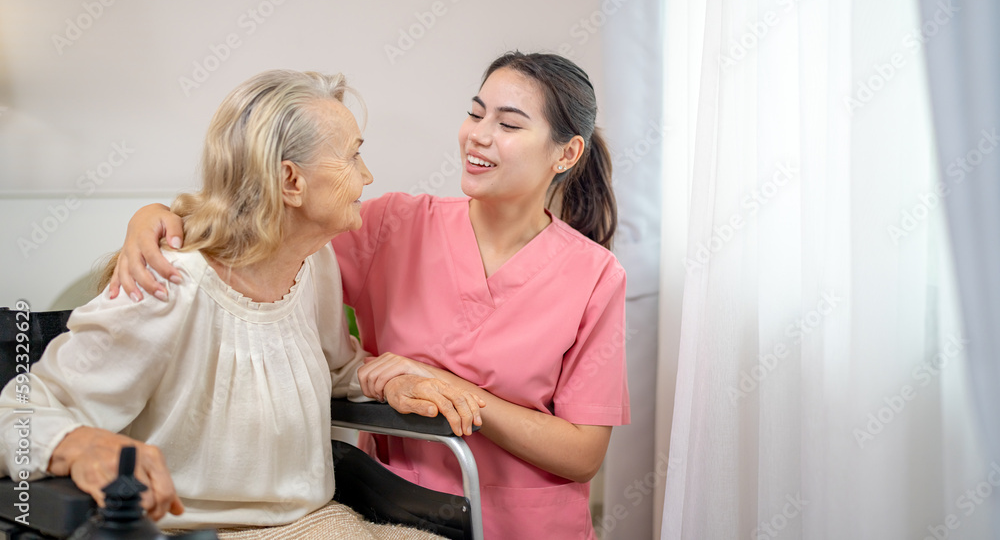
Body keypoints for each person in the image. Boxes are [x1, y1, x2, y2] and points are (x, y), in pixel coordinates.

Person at [110, 52, 630, 539]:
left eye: (509, 124)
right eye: (475, 114)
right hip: (396, 508)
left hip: (529, 524)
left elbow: (583, 452)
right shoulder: (394, 226)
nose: (478, 136)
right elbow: (266, 229)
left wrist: (450, 386)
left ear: (567, 153)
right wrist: (160, 218)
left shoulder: (594, 276)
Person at [0, 70, 482, 537]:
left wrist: (385, 381)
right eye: (353, 157)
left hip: (317, 520)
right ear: (291, 181)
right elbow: (19, 416)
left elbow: (332, 367)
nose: (368, 174)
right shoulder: (169, 283)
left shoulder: (314, 263)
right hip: (196, 530)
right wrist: (79, 444)